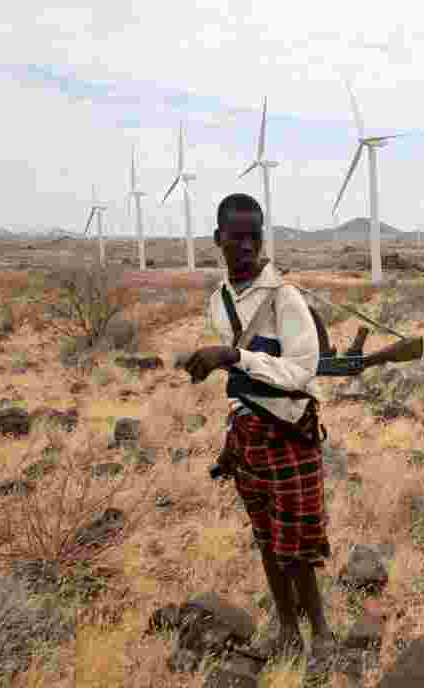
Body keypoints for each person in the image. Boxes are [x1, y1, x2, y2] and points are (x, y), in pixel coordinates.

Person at [181, 193, 333, 661]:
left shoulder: (285, 300)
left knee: (298, 546)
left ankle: (322, 634)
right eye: (236, 237)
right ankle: (288, 629)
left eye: (254, 236)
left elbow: (302, 371)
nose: (245, 246)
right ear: (218, 240)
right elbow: (241, 379)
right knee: (267, 539)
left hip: (290, 433)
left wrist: (233, 357)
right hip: (248, 435)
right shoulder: (218, 303)